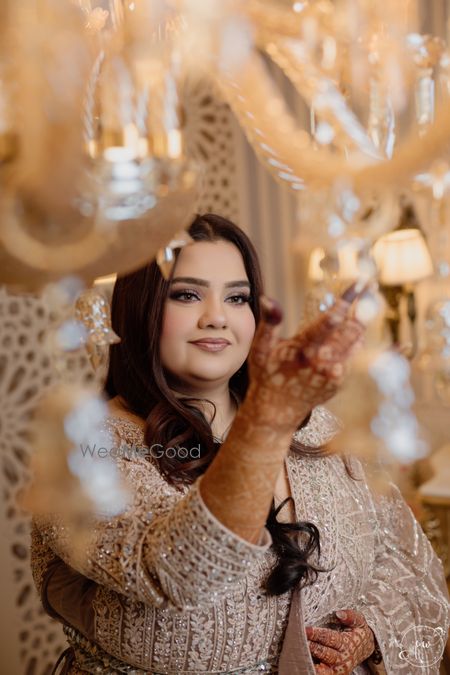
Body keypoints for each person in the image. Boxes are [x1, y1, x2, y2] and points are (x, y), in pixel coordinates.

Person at [30, 213, 449, 674]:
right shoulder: (85, 449)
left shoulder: (317, 428)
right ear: (140, 307)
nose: (216, 317)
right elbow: (179, 572)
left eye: (237, 298)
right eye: (186, 294)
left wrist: (367, 635)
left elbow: (406, 564)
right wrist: (268, 419)